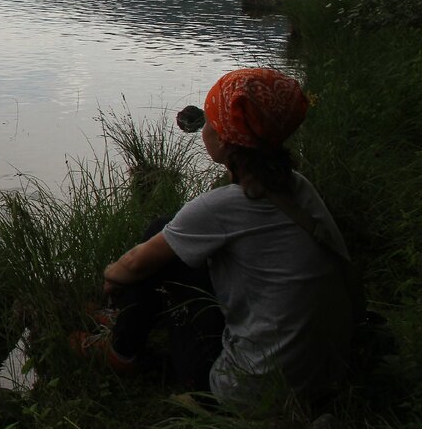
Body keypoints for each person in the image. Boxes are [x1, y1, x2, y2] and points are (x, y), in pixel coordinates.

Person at [84, 68, 353, 410]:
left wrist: (111, 277)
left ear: (225, 141)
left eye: (210, 119)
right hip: (327, 372)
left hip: (249, 391)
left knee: (159, 235)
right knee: (176, 243)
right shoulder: (297, 186)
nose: (205, 127)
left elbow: (131, 267)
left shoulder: (224, 206)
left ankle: (122, 351)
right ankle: (125, 323)